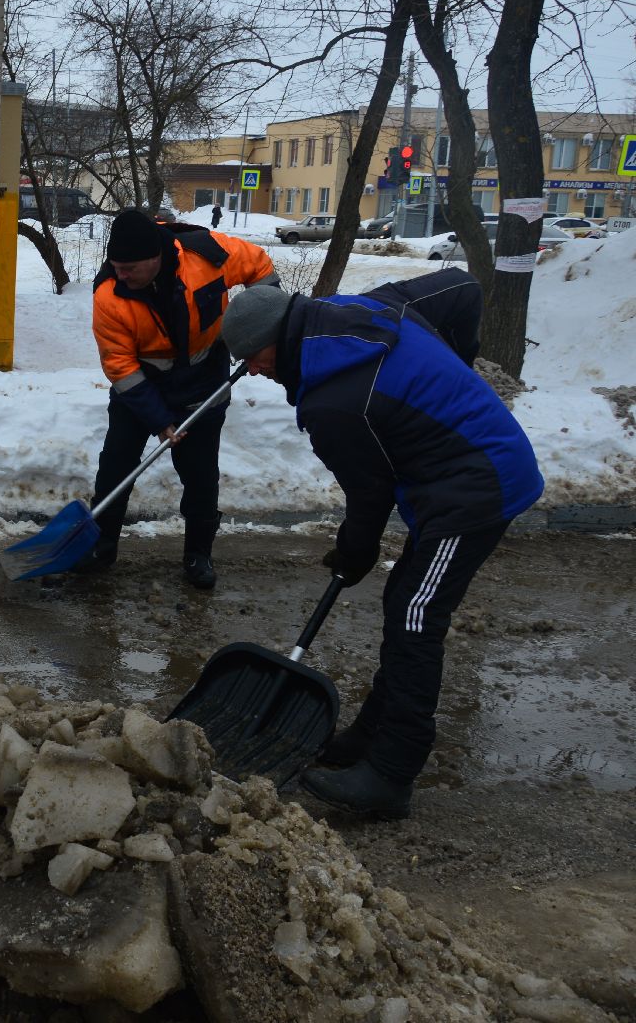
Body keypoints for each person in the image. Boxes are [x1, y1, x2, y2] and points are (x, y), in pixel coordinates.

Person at [218, 268, 542, 818]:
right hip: (455, 476)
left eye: (255, 356)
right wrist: (457, 372)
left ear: (280, 339)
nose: (254, 369)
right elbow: (460, 288)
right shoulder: (361, 308)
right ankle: (370, 736)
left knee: (416, 614)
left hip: (479, 485)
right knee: (404, 600)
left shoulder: (335, 405)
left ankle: (392, 774)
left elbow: (370, 497)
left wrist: (352, 554)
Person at [85, 208, 280, 589]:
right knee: (116, 465)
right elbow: (121, 367)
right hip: (142, 385)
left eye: (130, 268)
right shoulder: (110, 294)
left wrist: (260, 322)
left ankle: (198, 553)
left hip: (203, 378)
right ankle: (101, 545)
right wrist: (159, 420)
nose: (121, 274)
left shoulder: (206, 254)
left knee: (200, 473)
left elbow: (261, 267)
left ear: (155, 257)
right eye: (116, 265)